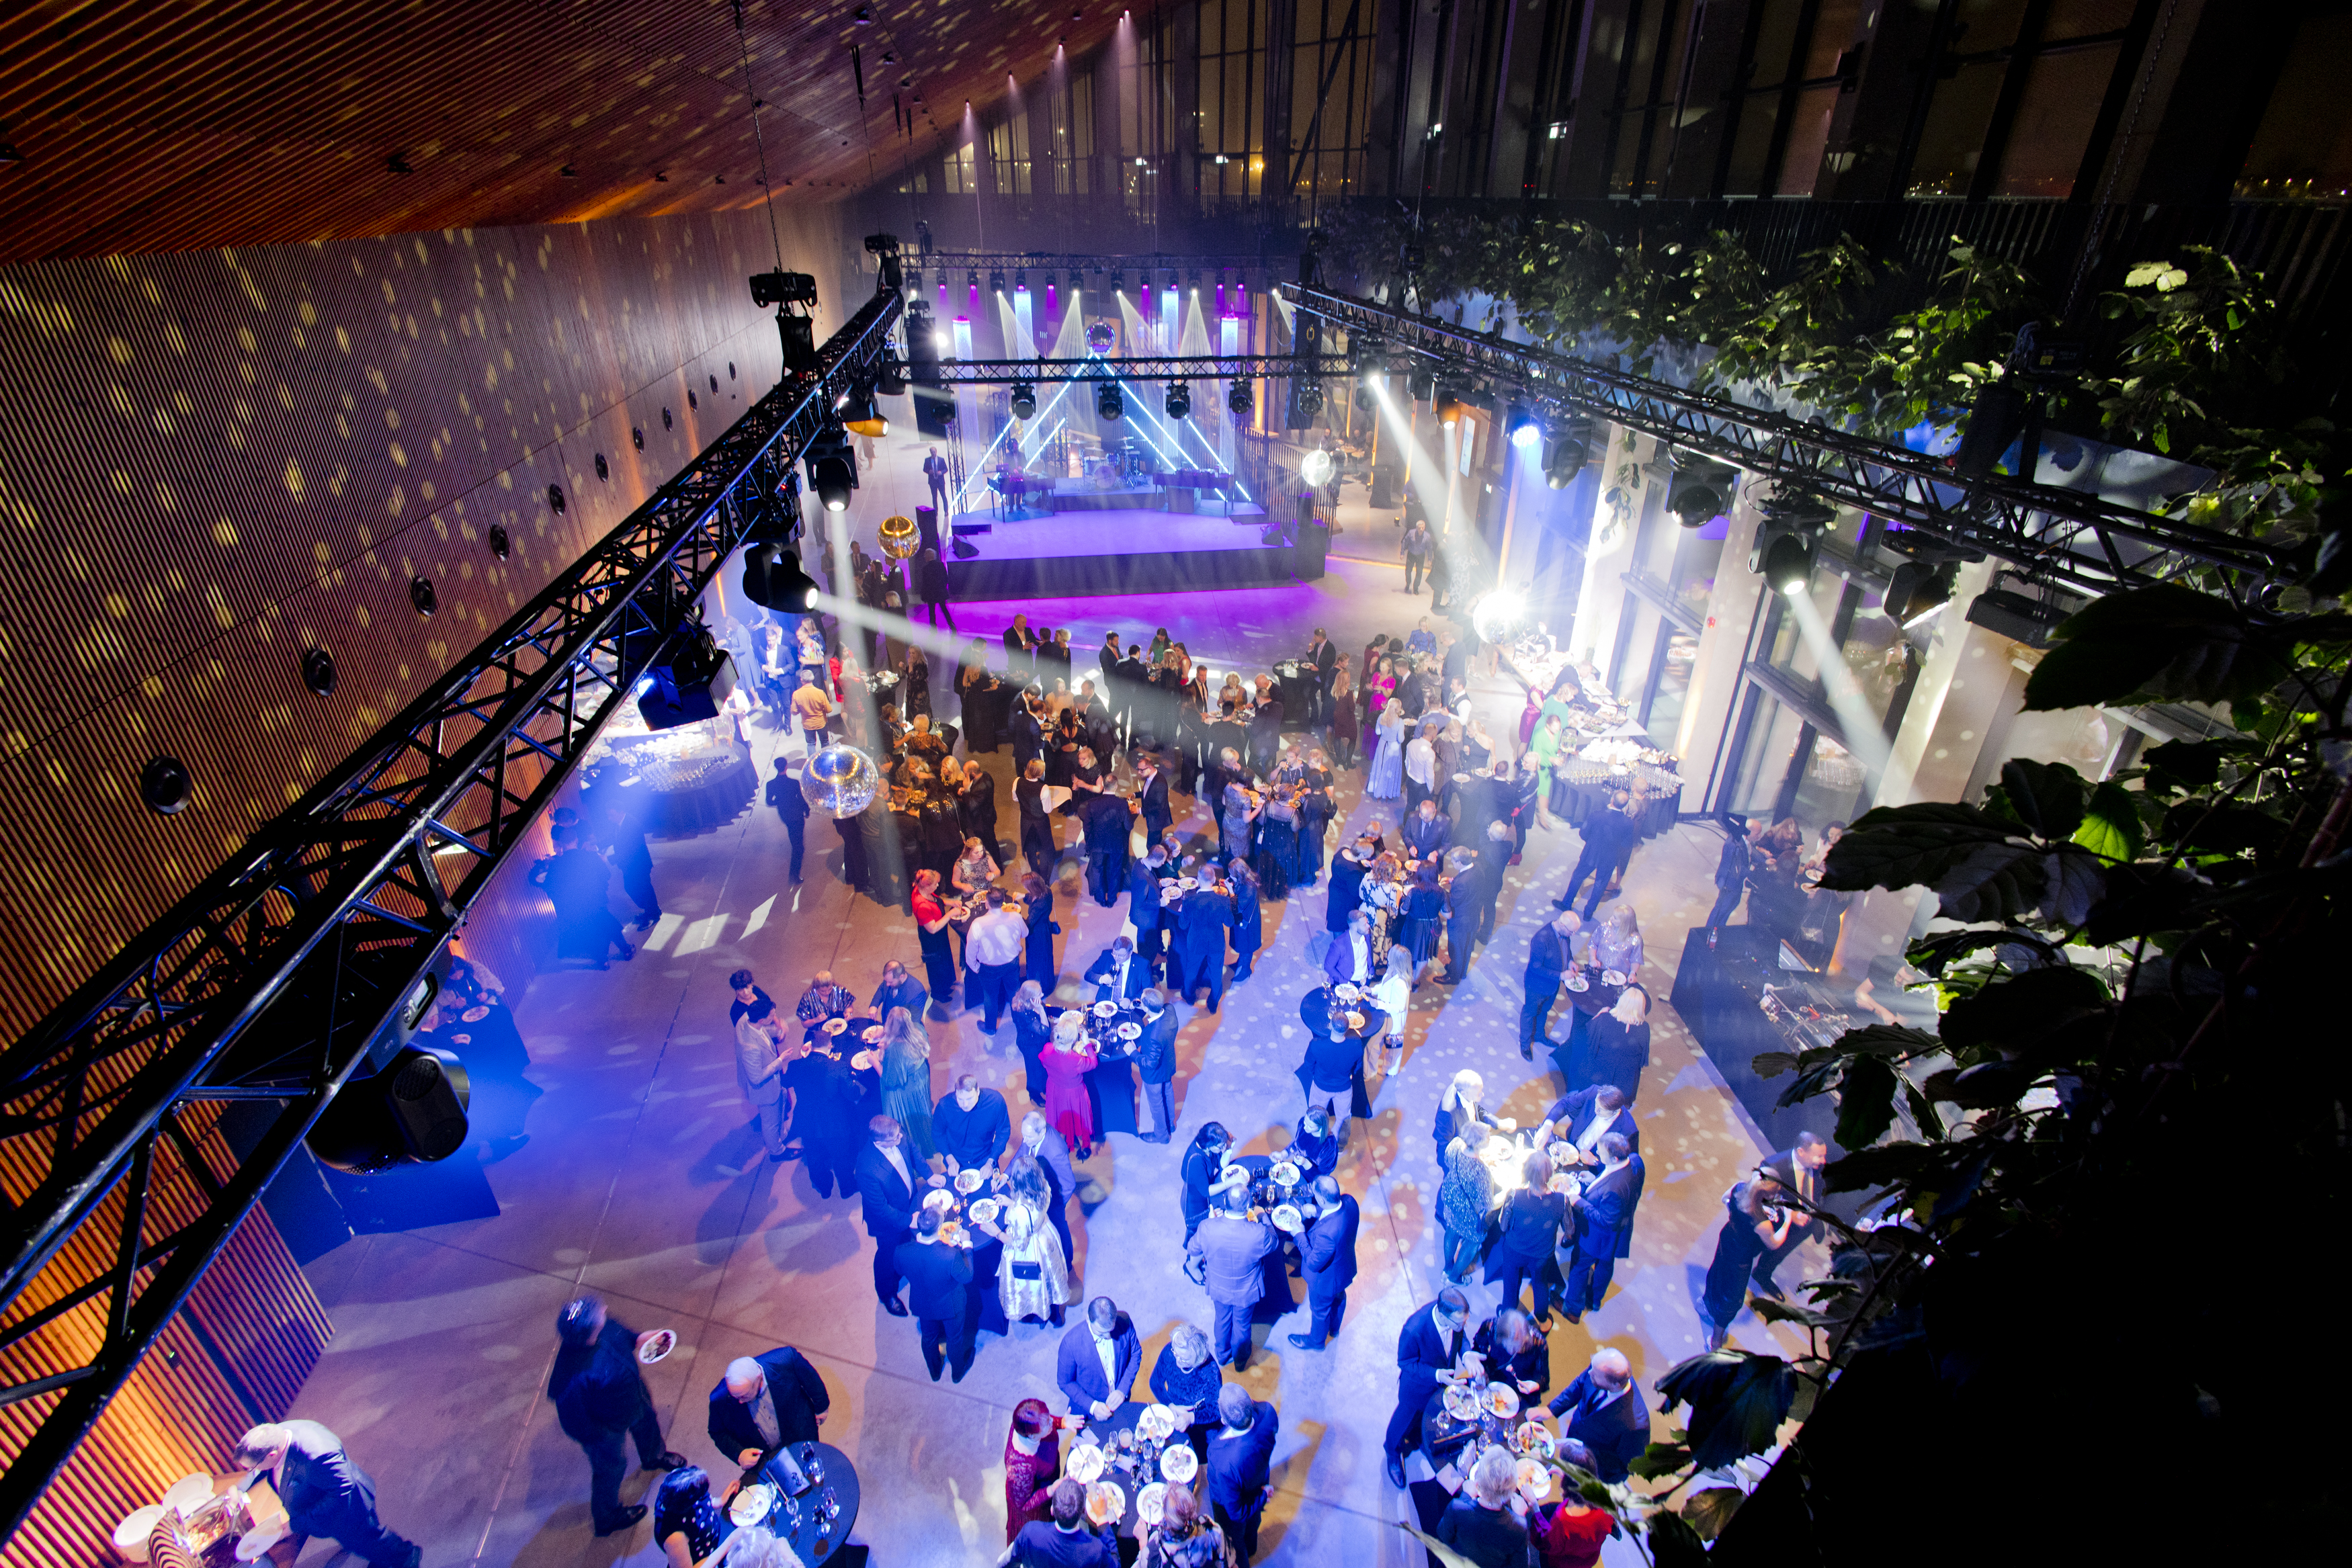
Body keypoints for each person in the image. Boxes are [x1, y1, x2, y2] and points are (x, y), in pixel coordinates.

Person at [546, 1296, 689, 1537]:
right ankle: (607, 1517)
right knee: (611, 1469)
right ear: (588, 1332)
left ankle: (654, 1457)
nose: (604, 1309)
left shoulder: (603, 1327)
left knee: (647, 1423)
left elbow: (621, 1333)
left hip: (633, 1399)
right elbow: (573, 1421)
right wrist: (601, 1436)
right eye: (599, 1313)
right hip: (606, 1427)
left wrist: (638, 1339)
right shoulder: (571, 1378)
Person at [229, 1421, 421, 1568]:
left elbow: (341, 1494)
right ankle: (383, 1557)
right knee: (361, 1543)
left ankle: (406, 1555)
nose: (252, 1470)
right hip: (322, 1497)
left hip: (347, 1508)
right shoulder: (275, 1436)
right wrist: (237, 1490)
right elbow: (255, 1472)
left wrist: (295, 1525)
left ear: (271, 1456)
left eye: (252, 1467)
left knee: (366, 1538)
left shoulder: (317, 1455)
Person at [1382, 1287, 1470, 1489]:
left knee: (1426, 1418)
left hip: (1440, 1385)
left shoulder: (1454, 1319)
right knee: (1403, 1422)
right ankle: (1392, 1452)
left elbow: (1460, 1336)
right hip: (1416, 1388)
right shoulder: (1414, 1329)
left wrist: (1466, 1355)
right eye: (1459, 1323)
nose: (1462, 1326)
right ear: (1442, 1314)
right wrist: (1436, 1375)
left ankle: (1417, 1436)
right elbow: (1405, 1363)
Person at [1185, 1185, 1281, 1369]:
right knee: (1242, 1325)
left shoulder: (1207, 1227)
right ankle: (1240, 1360)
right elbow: (1274, 1242)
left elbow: (1192, 1248)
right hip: (1246, 1291)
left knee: (1221, 1320)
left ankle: (1221, 1355)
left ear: (1225, 1203)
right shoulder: (1258, 1234)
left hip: (1219, 1287)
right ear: (1247, 1207)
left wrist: (1210, 1221)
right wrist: (1263, 1217)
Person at [708, 1350, 833, 1489]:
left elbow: (811, 1380)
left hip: (801, 1436)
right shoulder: (719, 1399)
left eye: (744, 1396)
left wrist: (821, 1407)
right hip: (766, 1459)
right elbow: (717, 1432)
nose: (740, 1402)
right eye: (736, 1397)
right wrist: (739, 1454)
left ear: (759, 1378)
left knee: (813, 1477)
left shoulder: (786, 1360)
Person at [1563, 1133, 1644, 1322]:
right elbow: (1616, 1177)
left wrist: (1579, 1203)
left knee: (1579, 1267)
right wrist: (1597, 1175)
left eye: (1601, 1152)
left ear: (1615, 1158)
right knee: (1606, 1264)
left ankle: (1572, 1309)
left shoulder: (1615, 1190)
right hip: (1620, 1232)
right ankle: (1595, 1300)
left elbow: (1606, 1220)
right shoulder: (1635, 1160)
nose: (1597, 1153)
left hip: (1597, 1237)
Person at [529, 824, 634, 965]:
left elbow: (550, 886)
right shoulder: (591, 857)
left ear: (560, 843)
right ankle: (625, 950)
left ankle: (602, 960)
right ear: (576, 840)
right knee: (607, 923)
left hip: (575, 906)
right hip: (596, 900)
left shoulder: (556, 865)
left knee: (592, 930)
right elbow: (606, 875)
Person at [986, 1158, 1075, 1325]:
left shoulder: (1020, 1212)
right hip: (1045, 1236)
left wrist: (996, 1233)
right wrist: (1012, 1203)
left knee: (1030, 1286)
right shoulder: (1044, 1186)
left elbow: (1018, 1243)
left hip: (1029, 1250)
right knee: (1049, 1280)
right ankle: (1055, 1316)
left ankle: (1033, 1314)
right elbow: (1032, 1209)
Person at [1548, 1348, 1651, 1485]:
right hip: (1576, 1436)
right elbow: (1581, 1382)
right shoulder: (1599, 1369)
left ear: (1616, 1384)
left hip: (1595, 1471)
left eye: (1594, 1374)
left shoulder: (1636, 1426)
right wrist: (1552, 1409)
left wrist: (1583, 1449)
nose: (1589, 1372)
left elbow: (1628, 1465)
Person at [897, 1207, 978, 1382]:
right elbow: (968, 1276)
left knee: (928, 1337)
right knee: (954, 1339)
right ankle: (957, 1373)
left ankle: (934, 1372)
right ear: (940, 1227)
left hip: (922, 1303)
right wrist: (967, 1245)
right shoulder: (950, 1255)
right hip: (950, 1305)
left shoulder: (901, 1251)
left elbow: (899, 1269)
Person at [1487, 1150, 1568, 1319]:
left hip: (1514, 1250)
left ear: (1527, 1172)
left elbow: (1503, 1226)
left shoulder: (1514, 1195)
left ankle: (1507, 1315)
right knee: (1540, 1284)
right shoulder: (1562, 1200)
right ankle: (1542, 1318)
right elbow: (1570, 1230)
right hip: (1542, 1255)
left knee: (1510, 1284)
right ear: (1550, 1173)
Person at [1204, 1384, 1279, 1565]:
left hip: (1229, 1503)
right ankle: (1252, 1547)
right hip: (1259, 1480)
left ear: (1224, 1420)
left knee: (1235, 1542)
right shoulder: (1268, 1412)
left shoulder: (1224, 1461)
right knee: (1253, 1524)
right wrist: (1261, 1494)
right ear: (1251, 1402)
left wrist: (1262, 1497)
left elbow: (1236, 1513)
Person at [855, 1115, 920, 1315]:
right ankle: (886, 1293)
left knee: (909, 1244)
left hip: (909, 1205)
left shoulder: (897, 1134)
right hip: (887, 1223)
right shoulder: (866, 1168)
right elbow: (881, 1209)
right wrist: (910, 1220)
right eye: (896, 1137)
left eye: (899, 1132)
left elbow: (915, 1154)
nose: (901, 1136)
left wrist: (930, 1175)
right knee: (887, 1255)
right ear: (880, 1142)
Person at [1286, 1174, 1359, 1351]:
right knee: (1340, 1297)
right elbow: (1335, 1213)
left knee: (1320, 1311)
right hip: (1344, 1268)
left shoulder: (1327, 1234)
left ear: (1322, 1199)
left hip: (1325, 1281)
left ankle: (1316, 1342)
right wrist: (1317, 1211)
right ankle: (1334, 1329)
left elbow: (1312, 1262)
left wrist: (1299, 1234)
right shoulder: (1350, 1201)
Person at [1752, 1133, 1830, 1297]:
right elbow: (1760, 1200)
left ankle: (1762, 1273)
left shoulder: (1820, 1167)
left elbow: (1820, 1191)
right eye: (1819, 1156)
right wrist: (1791, 1215)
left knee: (1780, 1252)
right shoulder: (1773, 1167)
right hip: (1779, 1221)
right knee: (1764, 1247)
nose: (1824, 1161)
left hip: (1805, 1222)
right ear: (1801, 1152)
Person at [1435, 1446, 1532, 1568]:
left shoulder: (1457, 1507)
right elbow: (1521, 1566)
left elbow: (1443, 1535)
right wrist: (1519, 1516)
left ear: (1478, 1483)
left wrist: (1466, 1496)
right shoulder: (1519, 1526)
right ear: (1511, 1491)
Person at [1527, 1448, 1619, 1567]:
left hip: (1562, 1562)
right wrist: (1565, 1477)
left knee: (1539, 1514)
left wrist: (1535, 1507)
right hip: (1587, 1557)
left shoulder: (1563, 1519)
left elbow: (1546, 1543)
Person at [1055, 1295, 1143, 1418]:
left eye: (1110, 1330)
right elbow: (1065, 1382)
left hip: (1120, 1402)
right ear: (1088, 1319)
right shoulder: (1070, 1343)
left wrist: (1123, 1390)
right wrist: (1093, 1406)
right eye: (1101, 1333)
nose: (1108, 1336)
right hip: (1088, 1411)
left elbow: (1136, 1354)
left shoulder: (1125, 1320)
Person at [1556, 793, 1641, 920]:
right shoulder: (1628, 823)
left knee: (1578, 877)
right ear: (1625, 806)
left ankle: (1567, 904)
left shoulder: (1596, 815)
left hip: (1591, 854)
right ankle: (1588, 913)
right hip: (1609, 858)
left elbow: (1583, 833)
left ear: (1612, 800)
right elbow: (1626, 844)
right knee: (1600, 885)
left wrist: (1592, 842)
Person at [999, 1478, 1115, 1568]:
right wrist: (1102, 1518)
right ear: (1083, 1511)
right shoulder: (1096, 1550)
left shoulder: (1030, 1532)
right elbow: (1115, 1564)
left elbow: (1004, 1563)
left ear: (1052, 1510)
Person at [962, 886, 1029, 1034]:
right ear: (1004, 901)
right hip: (1012, 964)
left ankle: (991, 1028)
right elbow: (1026, 932)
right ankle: (1020, 1025)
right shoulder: (1016, 917)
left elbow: (970, 952)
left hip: (988, 968)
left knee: (990, 998)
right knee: (1015, 993)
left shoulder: (977, 924)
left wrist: (976, 968)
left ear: (986, 903)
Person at [1437, 1121, 1497, 1284]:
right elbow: (1488, 1205)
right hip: (1469, 1213)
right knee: (1473, 1241)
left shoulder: (1455, 1145)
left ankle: (1447, 1268)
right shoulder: (1482, 1171)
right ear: (1479, 1145)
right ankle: (1454, 1278)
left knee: (1452, 1230)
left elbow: (1448, 1161)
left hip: (1451, 1198)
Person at [1001, 1399, 1068, 1543]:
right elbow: (1024, 1504)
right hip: (1035, 1507)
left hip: (1048, 1480)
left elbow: (1045, 1420)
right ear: (1032, 1435)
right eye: (1047, 1424)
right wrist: (1051, 1490)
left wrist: (1062, 1422)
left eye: (1050, 1417)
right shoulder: (1020, 1467)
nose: (1052, 1422)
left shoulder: (1027, 1423)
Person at [1171, 863, 1235, 1012]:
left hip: (1195, 943)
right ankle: (1213, 1003)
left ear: (1198, 879)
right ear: (1213, 879)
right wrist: (1233, 897)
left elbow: (1182, 925)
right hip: (1217, 944)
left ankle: (1189, 996)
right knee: (1216, 973)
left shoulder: (1189, 901)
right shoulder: (1224, 901)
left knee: (1191, 971)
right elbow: (1230, 922)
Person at [733, 1005, 792, 1163]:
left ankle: (782, 1136)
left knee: (778, 1112)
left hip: (773, 1084)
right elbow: (757, 1077)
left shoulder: (748, 1019)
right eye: (772, 1015)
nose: (775, 1018)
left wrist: (778, 1031)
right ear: (761, 1019)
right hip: (764, 1090)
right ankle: (777, 1152)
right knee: (770, 1122)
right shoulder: (750, 1048)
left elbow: (764, 1033)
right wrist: (780, 1061)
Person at [1575, 984, 1653, 1103]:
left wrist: (1600, 1014)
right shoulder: (1645, 1028)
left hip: (1598, 1075)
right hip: (1624, 1083)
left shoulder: (1604, 1020)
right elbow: (1640, 1059)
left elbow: (1588, 1035)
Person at [1521, 910, 1581, 1060]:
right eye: (1572, 931)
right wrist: (1561, 975)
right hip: (1536, 986)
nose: (1573, 934)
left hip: (1551, 986)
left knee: (1544, 1011)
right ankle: (1525, 1044)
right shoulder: (1541, 939)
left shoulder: (1564, 933)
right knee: (1530, 1013)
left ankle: (1539, 1035)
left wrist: (1570, 961)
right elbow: (1535, 967)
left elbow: (1565, 951)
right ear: (1562, 924)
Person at [878, 1006, 937, 1159]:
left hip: (906, 1089)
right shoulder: (918, 1030)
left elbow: (889, 1080)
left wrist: (874, 1060)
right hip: (921, 1080)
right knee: (922, 1116)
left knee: (909, 1123)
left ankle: (913, 1155)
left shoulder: (896, 1050)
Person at [1138, 1476, 1234, 1568]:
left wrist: (1142, 1541)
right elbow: (1225, 1561)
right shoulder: (1212, 1531)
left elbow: (1145, 1564)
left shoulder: (1155, 1549)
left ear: (1166, 1517)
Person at [1040, 1009, 1099, 1157]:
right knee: (1079, 1123)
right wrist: (1086, 1044)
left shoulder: (1047, 1050)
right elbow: (1093, 1063)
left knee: (1060, 1121)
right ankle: (1084, 1148)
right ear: (1074, 1040)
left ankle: (1062, 1147)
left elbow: (1044, 1060)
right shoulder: (1076, 1060)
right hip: (1074, 1093)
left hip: (1055, 1089)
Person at [650, 1467, 728, 1568]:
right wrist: (729, 1542)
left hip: (716, 1543)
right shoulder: (674, 1537)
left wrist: (719, 1501)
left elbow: (703, 1500)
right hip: (704, 1561)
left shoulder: (674, 1488)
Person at [935, 1073, 1012, 1172]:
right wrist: (950, 1159)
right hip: (956, 1160)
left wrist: (991, 1162)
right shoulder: (944, 1106)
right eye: (960, 1099)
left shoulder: (996, 1102)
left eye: (969, 1098)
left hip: (985, 1158)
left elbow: (1003, 1132)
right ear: (956, 1093)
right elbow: (938, 1134)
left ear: (978, 1091)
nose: (965, 1104)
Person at [1474, 1305, 1550, 1400]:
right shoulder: (1491, 1326)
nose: (1511, 1351)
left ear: (1526, 1339)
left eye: (1516, 1348)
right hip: (1490, 1377)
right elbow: (1478, 1347)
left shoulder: (1539, 1343)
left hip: (1518, 1390)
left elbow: (1543, 1378)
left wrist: (1536, 1385)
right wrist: (1480, 1368)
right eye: (1506, 1346)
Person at [1134, 987, 1180, 1143]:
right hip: (1168, 1065)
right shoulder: (1170, 1010)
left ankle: (1162, 1136)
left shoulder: (1153, 1034)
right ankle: (1170, 1124)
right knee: (1168, 1092)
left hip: (1153, 1076)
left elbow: (1150, 1063)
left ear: (1147, 1008)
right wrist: (1143, 1006)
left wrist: (1132, 1053)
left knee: (1157, 1104)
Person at [1179, 1122, 1233, 1244]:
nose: (1222, 1149)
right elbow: (1206, 1191)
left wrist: (1229, 1148)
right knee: (1201, 1235)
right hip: (1195, 1204)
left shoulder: (1207, 1147)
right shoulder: (1196, 1160)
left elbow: (1221, 1165)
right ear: (1210, 1146)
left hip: (1204, 1190)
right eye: (1221, 1147)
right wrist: (1229, 1183)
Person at [1706, 816, 1757, 929]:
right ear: (1749, 831)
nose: (1760, 837)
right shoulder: (1734, 845)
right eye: (1757, 834)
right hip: (1729, 884)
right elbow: (1738, 868)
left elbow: (1750, 854)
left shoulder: (1744, 841)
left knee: (1731, 905)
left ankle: (1720, 928)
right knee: (1721, 909)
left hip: (1735, 882)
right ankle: (1708, 932)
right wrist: (1755, 875)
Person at [765, 758, 808, 883]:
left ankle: (795, 871)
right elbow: (801, 798)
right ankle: (794, 875)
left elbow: (769, 801)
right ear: (786, 767)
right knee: (798, 845)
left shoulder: (771, 784)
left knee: (794, 837)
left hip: (785, 814)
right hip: (796, 814)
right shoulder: (794, 783)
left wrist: (780, 801)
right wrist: (807, 810)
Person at [1015, 758, 1057, 879]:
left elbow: (1015, 798)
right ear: (1039, 773)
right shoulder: (1043, 788)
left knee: (1030, 848)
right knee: (1044, 848)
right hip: (1040, 822)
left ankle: (1035, 873)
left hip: (1025, 821)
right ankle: (1044, 878)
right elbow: (1047, 810)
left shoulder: (1017, 781)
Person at [1083, 933, 1152, 1003]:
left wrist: (1131, 1000)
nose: (1117, 958)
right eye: (1115, 954)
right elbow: (1088, 974)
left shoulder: (1142, 964)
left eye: (1121, 956)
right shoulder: (1106, 956)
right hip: (1105, 1003)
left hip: (1128, 1007)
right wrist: (1101, 979)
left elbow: (1148, 989)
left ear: (1130, 952)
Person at [1227, 858, 1263, 984]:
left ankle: (1246, 970)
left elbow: (1237, 907)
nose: (1230, 876)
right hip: (1243, 922)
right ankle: (1239, 962)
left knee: (1247, 947)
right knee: (1242, 944)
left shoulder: (1248, 888)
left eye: (1232, 875)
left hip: (1248, 925)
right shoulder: (1245, 881)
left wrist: (1231, 891)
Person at [790, 669, 833, 760]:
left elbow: (794, 711)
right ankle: (827, 760)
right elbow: (829, 709)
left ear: (802, 680)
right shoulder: (820, 693)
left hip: (807, 725)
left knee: (811, 744)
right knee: (825, 742)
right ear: (812, 679)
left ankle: (812, 763)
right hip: (821, 723)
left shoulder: (796, 694)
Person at [1366, 699, 1405, 799]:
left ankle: (1377, 789)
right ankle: (1387, 792)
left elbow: (1378, 732)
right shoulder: (1400, 722)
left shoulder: (1381, 717)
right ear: (1398, 709)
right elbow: (1401, 739)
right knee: (1390, 770)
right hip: (1393, 748)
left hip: (1382, 745)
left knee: (1379, 767)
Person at [870, 957, 928, 1022]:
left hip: (901, 1029)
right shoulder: (889, 980)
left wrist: (887, 1030)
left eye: (891, 982)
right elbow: (882, 989)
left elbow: (913, 1022)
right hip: (886, 1022)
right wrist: (874, 1005)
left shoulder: (918, 992)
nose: (887, 984)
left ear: (901, 977)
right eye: (886, 981)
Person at [913, 546, 954, 627]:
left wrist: (924, 597)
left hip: (931, 595)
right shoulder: (941, 565)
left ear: (927, 557)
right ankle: (951, 625)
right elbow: (946, 578)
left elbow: (925, 584)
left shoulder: (925, 569)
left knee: (932, 612)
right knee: (944, 609)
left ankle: (933, 628)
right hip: (941, 593)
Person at [1402, 520, 1433, 593]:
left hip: (1420, 555)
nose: (1421, 530)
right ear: (1416, 528)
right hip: (1411, 554)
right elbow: (1405, 542)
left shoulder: (1427, 536)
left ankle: (1416, 588)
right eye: (1419, 528)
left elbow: (1430, 548)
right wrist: (1402, 553)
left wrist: (1430, 559)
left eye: (1423, 528)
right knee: (1408, 571)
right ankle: (1408, 583)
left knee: (1419, 572)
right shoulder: (1411, 533)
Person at [925, 444, 950, 513]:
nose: (933, 453)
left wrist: (941, 472)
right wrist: (929, 471)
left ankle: (946, 511)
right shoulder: (927, 460)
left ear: (936, 452)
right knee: (934, 498)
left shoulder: (941, 460)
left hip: (940, 482)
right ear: (930, 453)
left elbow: (946, 469)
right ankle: (935, 512)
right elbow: (925, 469)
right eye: (932, 452)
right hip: (932, 482)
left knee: (943, 496)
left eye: (934, 452)